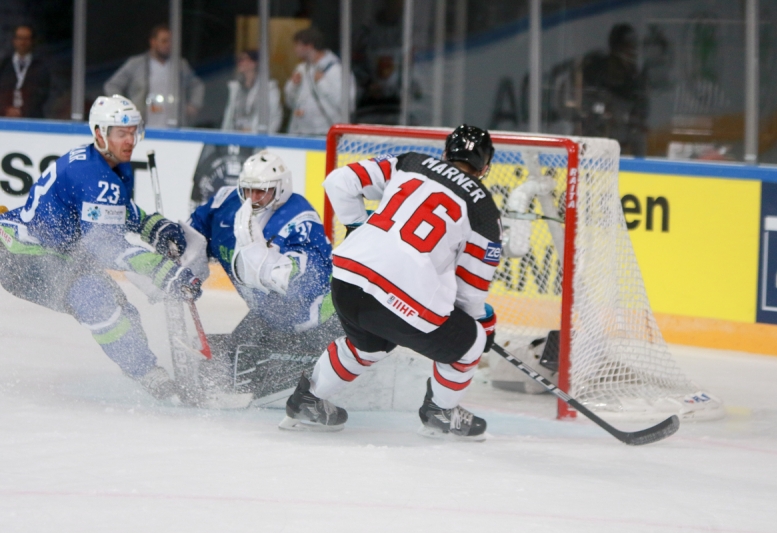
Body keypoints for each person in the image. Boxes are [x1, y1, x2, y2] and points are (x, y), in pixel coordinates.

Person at [279, 125, 502, 440]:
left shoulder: (410, 162)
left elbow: (338, 182)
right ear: (485, 167)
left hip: (347, 276)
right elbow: (470, 292)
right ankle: (440, 412)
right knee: (471, 343)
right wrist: (482, 325)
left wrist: (357, 227)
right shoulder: (484, 212)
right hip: (399, 297)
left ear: (444, 153)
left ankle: (307, 401)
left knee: (368, 345)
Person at [0, 95, 202, 399]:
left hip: (58, 254)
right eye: (122, 133)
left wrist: (152, 226)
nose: (131, 140)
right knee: (97, 303)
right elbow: (104, 245)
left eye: (134, 131)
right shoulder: (93, 174)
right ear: (99, 134)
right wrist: (163, 272)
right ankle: (147, 373)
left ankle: (141, 368)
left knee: (124, 312)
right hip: (25, 256)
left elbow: (114, 211)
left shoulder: (106, 166)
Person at [188, 150, 341, 399]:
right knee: (226, 370)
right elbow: (195, 231)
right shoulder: (225, 204)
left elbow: (304, 281)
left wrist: (261, 262)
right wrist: (179, 254)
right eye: (248, 190)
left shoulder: (301, 219)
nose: (254, 198)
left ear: (280, 188)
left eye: (262, 191)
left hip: (317, 322)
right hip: (269, 315)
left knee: (252, 379)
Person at [104, 24, 204, 128]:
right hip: (142, 125)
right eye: (164, 41)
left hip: (173, 126)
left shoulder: (180, 65)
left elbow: (196, 84)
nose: (168, 45)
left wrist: (194, 105)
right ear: (153, 42)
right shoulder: (137, 64)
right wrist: (122, 107)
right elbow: (112, 85)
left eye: (170, 41)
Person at [580, 23, 648, 156]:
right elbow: (585, 107)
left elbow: (641, 114)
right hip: (596, 143)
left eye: (634, 47)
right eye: (628, 47)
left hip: (620, 143)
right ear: (616, 48)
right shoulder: (595, 72)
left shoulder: (635, 80)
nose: (632, 52)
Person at [284, 27, 355, 135]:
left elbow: (347, 105)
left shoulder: (338, 71)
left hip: (326, 134)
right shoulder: (301, 69)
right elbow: (290, 102)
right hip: (300, 132)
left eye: (298, 45)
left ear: (309, 46)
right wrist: (293, 86)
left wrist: (323, 83)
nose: (295, 49)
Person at [221, 50, 283, 133]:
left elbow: (275, 116)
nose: (240, 62)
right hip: (235, 137)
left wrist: (264, 138)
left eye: (243, 59)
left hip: (256, 139)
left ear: (254, 63)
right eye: (239, 59)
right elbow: (229, 115)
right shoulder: (235, 88)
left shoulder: (269, 88)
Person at [0, 24, 51, 118]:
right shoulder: (4, 65)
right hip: (4, 117)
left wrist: (21, 111)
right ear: (14, 40)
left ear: (32, 41)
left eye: (26, 38)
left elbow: (42, 93)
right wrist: (6, 109)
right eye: (20, 38)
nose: (23, 42)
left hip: (31, 119)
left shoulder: (40, 67)